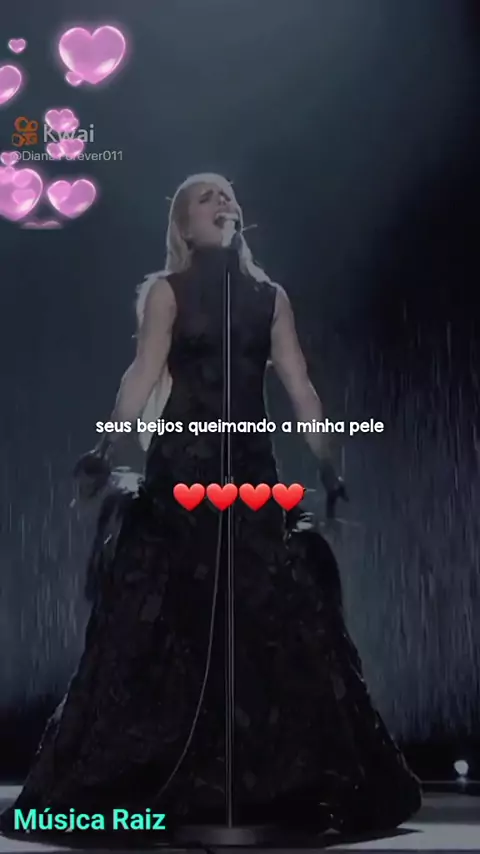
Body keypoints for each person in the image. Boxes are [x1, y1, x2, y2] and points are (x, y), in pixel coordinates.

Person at [0, 173, 421, 844]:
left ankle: (267, 782)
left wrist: (329, 465)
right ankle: (160, 778)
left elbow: (300, 385)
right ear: (185, 227)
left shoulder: (269, 298)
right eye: (206, 197)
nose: (223, 202)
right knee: (175, 617)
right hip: (183, 475)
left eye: (227, 195)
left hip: (249, 475)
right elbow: (142, 374)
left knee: (263, 618)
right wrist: (107, 447)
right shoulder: (167, 292)